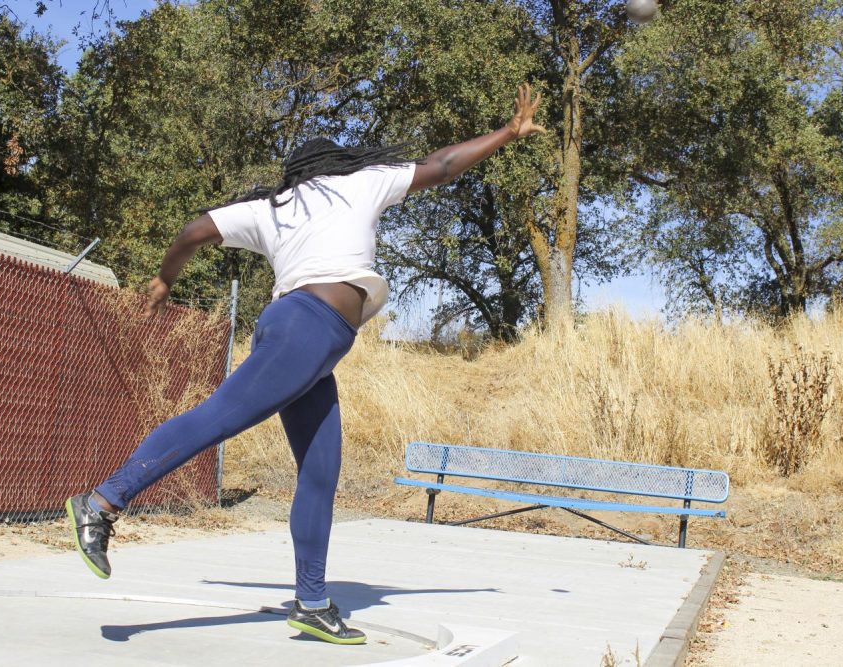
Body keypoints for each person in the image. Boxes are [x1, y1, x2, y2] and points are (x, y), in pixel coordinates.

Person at [65, 83, 546, 645]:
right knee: (219, 416)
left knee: (320, 472)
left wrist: (165, 278)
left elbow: (194, 230)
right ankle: (101, 502)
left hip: (310, 339)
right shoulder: (359, 182)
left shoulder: (270, 208)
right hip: (307, 328)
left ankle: (312, 603)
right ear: (337, 164)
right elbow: (441, 166)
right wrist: (508, 133)